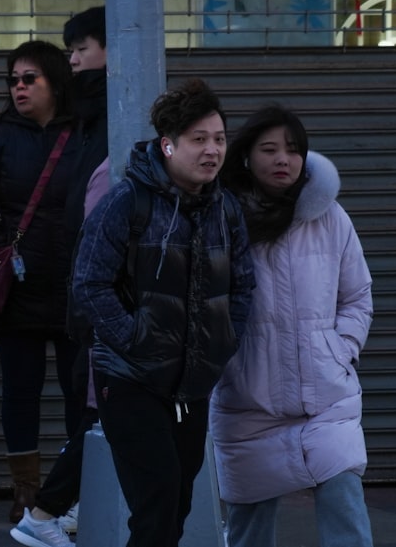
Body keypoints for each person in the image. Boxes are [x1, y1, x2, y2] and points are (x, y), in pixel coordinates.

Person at [71, 78, 255, 547]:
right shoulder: (125, 202)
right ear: (167, 145)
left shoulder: (225, 209)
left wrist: (224, 338)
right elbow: (89, 284)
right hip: (130, 379)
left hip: (193, 382)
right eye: (199, 140)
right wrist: (134, 338)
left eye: (218, 139)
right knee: (156, 499)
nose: (212, 150)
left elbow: (242, 283)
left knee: (176, 506)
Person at [211, 105, 374, 547]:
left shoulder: (330, 217)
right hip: (248, 402)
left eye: (293, 149)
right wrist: (226, 363)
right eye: (269, 149)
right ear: (245, 156)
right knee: (250, 528)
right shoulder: (222, 218)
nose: (283, 159)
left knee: (345, 501)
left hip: (326, 397)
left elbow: (357, 296)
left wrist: (340, 348)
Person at [0, 41, 82, 524]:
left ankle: (75, 490)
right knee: (20, 393)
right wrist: (2, 251)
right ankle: (26, 492)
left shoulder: (85, 131)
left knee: (81, 395)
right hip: (20, 289)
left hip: (76, 286)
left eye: (30, 78)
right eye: (13, 79)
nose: (19, 87)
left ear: (56, 80)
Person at [11, 8, 109, 547]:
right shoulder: (90, 115)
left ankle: (56, 507)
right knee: (102, 409)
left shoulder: (109, 112)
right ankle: (47, 509)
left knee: (99, 408)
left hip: (88, 285)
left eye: (81, 49)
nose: (72, 60)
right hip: (81, 288)